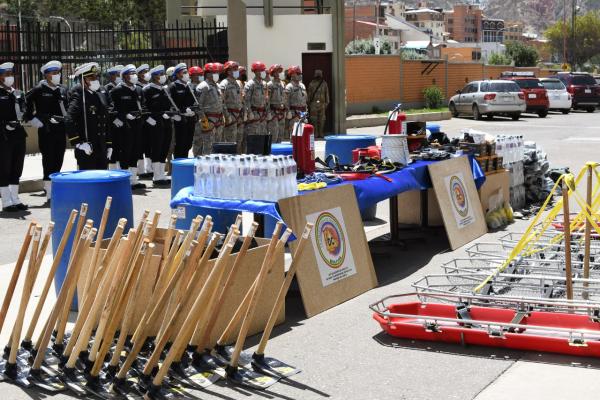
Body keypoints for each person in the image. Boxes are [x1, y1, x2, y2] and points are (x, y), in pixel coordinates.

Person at [23, 60, 68, 202]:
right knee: (48, 160)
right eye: (54, 73)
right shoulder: (38, 89)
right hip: (46, 130)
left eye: (58, 73)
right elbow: (25, 104)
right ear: (46, 75)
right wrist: (33, 119)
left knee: (59, 159)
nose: (57, 75)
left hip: (60, 129)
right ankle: (49, 192)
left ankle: (55, 188)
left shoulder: (63, 89)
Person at [65, 62, 111, 171]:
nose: (95, 80)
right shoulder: (79, 96)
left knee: (102, 181)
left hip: (101, 146)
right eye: (91, 78)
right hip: (87, 147)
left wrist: (109, 144)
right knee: (89, 182)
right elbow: (69, 119)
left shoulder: (100, 95)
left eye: (96, 77)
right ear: (83, 80)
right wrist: (78, 143)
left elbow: (106, 120)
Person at [109, 64, 146, 190]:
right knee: (125, 152)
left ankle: (133, 179)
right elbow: (111, 110)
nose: (134, 76)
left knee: (136, 151)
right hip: (124, 127)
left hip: (137, 125)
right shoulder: (116, 91)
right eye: (132, 74)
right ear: (124, 76)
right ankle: (124, 180)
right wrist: (124, 116)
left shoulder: (139, 90)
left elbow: (144, 107)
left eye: (135, 73)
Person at [0, 62, 27, 212]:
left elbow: (25, 109)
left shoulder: (18, 93)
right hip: (3, 136)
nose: (10, 77)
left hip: (18, 133)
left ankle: (15, 198)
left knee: (17, 166)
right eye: (6, 74)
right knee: (4, 167)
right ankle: (6, 201)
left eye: (11, 74)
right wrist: (4, 125)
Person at [143, 65, 172, 187]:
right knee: (156, 148)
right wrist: (149, 119)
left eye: (163, 74)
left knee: (165, 147)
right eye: (160, 74)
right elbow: (143, 107)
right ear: (154, 76)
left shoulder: (165, 89)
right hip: (155, 123)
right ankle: (156, 176)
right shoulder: (147, 89)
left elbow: (170, 105)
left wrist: (171, 114)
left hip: (166, 122)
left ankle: (161, 175)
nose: (163, 76)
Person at [169, 62, 198, 159]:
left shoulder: (189, 86)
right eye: (183, 72)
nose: (186, 74)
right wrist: (178, 114)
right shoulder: (173, 86)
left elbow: (194, 101)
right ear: (177, 74)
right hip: (180, 119)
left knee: (188, 143)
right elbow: (170, 103)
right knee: (180, 144)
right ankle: (179, 164)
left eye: (187, 72)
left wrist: (194, 111)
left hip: (190, 119)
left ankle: (184, 161)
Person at [195, 62, 224, 156]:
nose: (217, 74)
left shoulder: (217, 86)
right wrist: (204, 121)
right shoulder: (203, 87)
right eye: (214, 72)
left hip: (218, 120)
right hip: (208, 120)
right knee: (208, 147)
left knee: (217, 147)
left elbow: (221, 102)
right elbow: (198, 106)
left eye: (217, 72)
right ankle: (205, 168)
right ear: (207, 74)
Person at [243, 61, 268, 151]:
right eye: (261, 70)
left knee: (262, 138)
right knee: (253, 138)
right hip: (254, 115)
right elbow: (246, 100)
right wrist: (249, 112)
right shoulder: (250, 84)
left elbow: (266, 100)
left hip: (262, 116)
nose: (263, 72)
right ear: (256, 71)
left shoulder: (264, 84)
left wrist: (267, 112)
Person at [220, 60, 243, 150]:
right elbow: (222, 101)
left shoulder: (238, 83)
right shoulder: (224, 84)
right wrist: (227, 116)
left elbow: (241, 99)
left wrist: (243, 113)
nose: (237, 70)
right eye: (234, 69)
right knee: (230, 142)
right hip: (230, 116)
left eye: (237, 68)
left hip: (239, 116)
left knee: (239, 142)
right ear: (228, 71)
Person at [135, 64, 152, 178]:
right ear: (139, 74)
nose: (146, 74)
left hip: (151, 119)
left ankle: (149, 168)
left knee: (150, 145)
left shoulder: (151, 86)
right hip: (140, 120)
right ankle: (140, 170)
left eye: (147, 71)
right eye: (144, 72)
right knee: (140, 145)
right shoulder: (136, 87)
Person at [285, 65, 307, 139]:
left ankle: (300, 149)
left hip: (302, 113)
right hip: (294, 113)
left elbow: (305, 99)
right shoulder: (289, 87)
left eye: (300, 73)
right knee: (294, 135)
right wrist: (288, 111)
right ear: (292, 75)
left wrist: (306, 111)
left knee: (302, 135)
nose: (300, 75)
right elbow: (286, 101)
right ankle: (294, 149)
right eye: (298, 73)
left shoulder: (302, 86)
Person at [307, 69, 330, 139]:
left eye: (319, 75)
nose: (318, 76)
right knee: (314, 119)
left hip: (322, 104)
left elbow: (327, 94)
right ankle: (315, 133)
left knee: (322, 119)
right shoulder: (311, 84)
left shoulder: (324, 83)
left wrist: (327, 103)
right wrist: (309, 104)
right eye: (317, 75)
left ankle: (321, 133)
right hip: (313, 104)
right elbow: (309, 95)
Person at [267, 64, 286, 143]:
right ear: (273, 73)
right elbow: (267, 100)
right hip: (273, 112)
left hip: (281, 112)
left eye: (280, 71)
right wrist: (268, 112)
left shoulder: (283, 84)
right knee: (274, 134)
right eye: (277, 71)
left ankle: (279, 152)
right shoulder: (270, 84)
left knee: (281, 134)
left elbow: (285, 97)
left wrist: (286, 110)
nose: (279, 73)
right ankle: (272, 152)